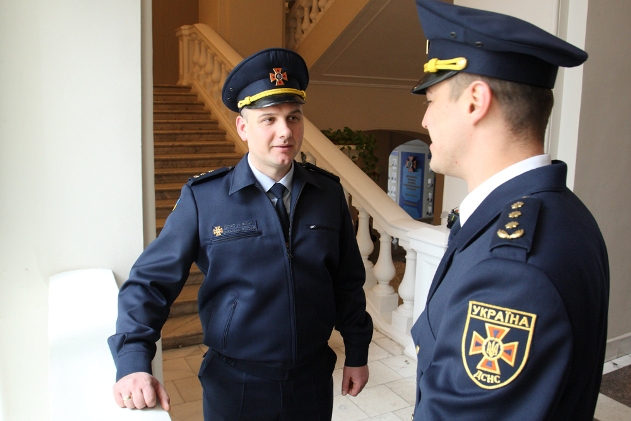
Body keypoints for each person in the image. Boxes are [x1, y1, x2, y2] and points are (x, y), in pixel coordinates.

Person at [108, 47, 373, 420]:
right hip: (237, 385)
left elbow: (347, 281)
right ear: (243, 127)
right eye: (269, 119)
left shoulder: (327, 194)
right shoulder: (205, 199)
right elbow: (149, 283)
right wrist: (133, 359)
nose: (285, 131)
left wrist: (357, 352)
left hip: (312, 379)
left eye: (293, 117)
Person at [409, 1, 609, 420]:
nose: (424, 120)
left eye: (430, 99)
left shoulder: (512, 270)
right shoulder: (563, 212)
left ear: (475, 101)